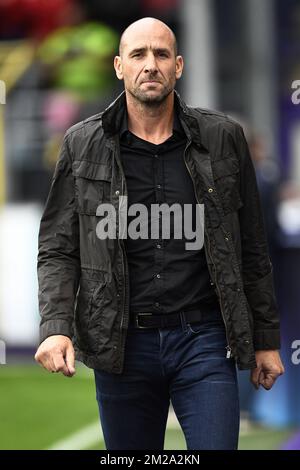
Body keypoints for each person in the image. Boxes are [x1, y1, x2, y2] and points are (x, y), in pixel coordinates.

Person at [34, 17, 284, 450]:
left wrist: (265, 341)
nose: (150, 64)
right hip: (121, 347)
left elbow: (253, 249)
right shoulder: (81, 143)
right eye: (138, 54)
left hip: (204, 342)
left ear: (179, 65)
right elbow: (58, 247)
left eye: (161, 54)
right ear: (119, 66)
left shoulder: (223, 138)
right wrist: (56, 326)